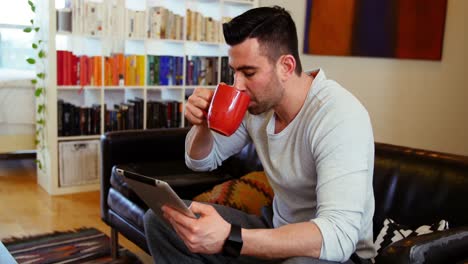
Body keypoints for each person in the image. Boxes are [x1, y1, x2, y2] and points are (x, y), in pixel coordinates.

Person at [144, 5, 376, 264]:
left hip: (337, 255)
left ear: (286, 66)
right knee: (162, 220)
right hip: (275, 228)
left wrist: (231, 238)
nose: (237, 86)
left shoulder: (338, 115)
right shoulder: (257, 106)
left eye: (249, 73)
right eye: (234, 71)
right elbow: (200, 161)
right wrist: (203, 124)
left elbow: (339, 236)